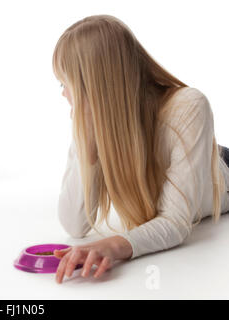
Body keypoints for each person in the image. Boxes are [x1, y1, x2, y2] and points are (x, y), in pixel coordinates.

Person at [52, 14, 229, 283]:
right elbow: (74, 225)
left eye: (66, 83)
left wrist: (112, 246)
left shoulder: (188, 106)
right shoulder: (101, 125)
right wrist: (85, 134)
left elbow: (174, 221)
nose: (64, 94)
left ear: (95, 86)